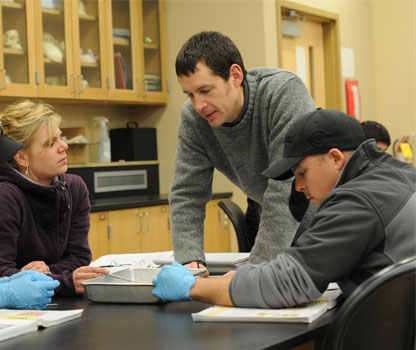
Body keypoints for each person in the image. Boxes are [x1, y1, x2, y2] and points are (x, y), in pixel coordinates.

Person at [153, 108, 416, 308]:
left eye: (302, 173)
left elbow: (290, 282)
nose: (298, 186)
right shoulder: (398, 174)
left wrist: (194, 286)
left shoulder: (357, 200)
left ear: (335, 158)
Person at [169, 31, 316, 266]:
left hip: (331, 221)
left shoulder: (283, 94)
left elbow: (286, 191)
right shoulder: (194, 119)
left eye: (206, 91)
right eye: (190, 95)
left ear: (235, 75)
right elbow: (187, 194)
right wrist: (189, 261)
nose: (199, 105)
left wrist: (257, 272)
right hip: (281, 233)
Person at [0, 100, 108, 297]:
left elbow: (79, 257)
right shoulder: (5, 196)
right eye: (51, 143)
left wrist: (44, 273)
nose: (64, 146)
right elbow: (3, 276)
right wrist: (63, 282)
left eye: (61, 137)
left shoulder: (75, 188)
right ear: (21, 157)